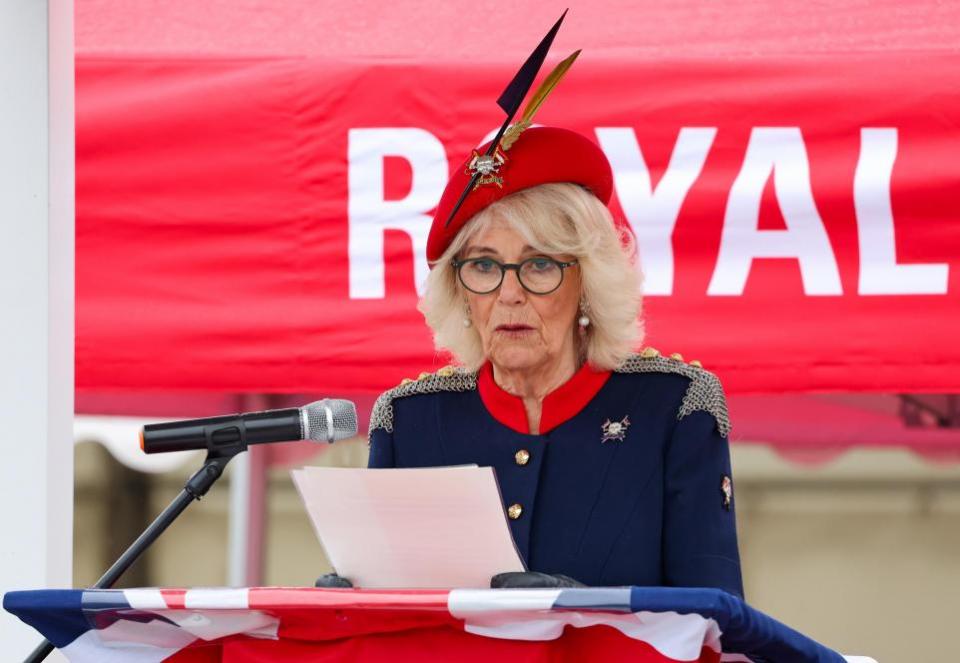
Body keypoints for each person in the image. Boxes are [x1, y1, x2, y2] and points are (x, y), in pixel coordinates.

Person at [361, 125, 744, 597]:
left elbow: (714, 623)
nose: (509, 294)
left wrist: (581, 610)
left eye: (540, 264)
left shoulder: (674, 407)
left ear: (587, 283)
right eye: (483, 265)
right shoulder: (408, 422)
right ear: (459, 291)